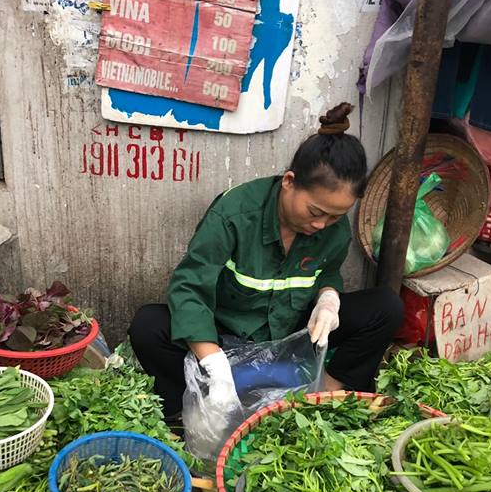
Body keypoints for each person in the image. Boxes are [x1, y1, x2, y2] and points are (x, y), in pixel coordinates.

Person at [129, 102, 403, 419]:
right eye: (315, 211)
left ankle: (325, 396)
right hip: (226, 334)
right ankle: (195, 407)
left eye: (335, 216)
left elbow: (328, 272)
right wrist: (214, 363)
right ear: (289, 182)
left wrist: (328, 299)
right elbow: (189, 287)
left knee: (386, 307)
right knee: (148, 326)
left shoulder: (334, 230)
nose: (321, 224)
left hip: (292, 331)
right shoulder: (234, 214)